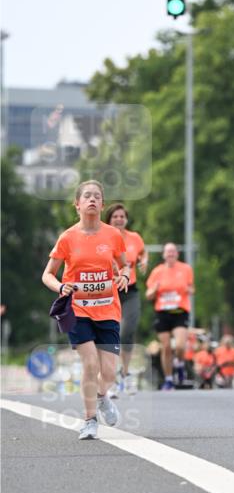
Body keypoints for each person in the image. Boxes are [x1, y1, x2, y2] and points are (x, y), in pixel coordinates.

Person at [42, 180, 130, 440]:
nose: (92, 199)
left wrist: (124, 275)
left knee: (110, 372)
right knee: (90, 363)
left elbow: (125, 266)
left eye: (97, 196)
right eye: (87, 196)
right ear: (77, 204)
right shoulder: (67, 238)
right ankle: (89, 420)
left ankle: (102, 397)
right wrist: (61, 287)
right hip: (78, 310)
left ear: (102, 205)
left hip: (108, 310)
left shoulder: (113, 235)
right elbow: (47, 274)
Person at [104, 203, 147, 395]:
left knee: (127, 332)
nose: (119, 219)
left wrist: (144, 260)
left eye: (122, 216)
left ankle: (126, 373)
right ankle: (109, 378)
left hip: (130, 291)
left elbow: (143, 252)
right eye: (115, 217)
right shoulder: (103, 238)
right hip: (108, 291)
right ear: (109, 220)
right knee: (110, 333)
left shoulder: (135, 238)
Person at [145, 242, 194, 390]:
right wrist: (154, 290)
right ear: (164, 255)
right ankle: (168, 379)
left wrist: (188, 289)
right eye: (168, 252)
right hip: (163, 311)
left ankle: (179, 363)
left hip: (179, 311)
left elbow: (192, 289)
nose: (170, 254)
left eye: (173, 252)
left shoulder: (185, 269)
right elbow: (148, 295)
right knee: (166, 347)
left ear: (177, 254)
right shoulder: (157, 271)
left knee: (179, 345)